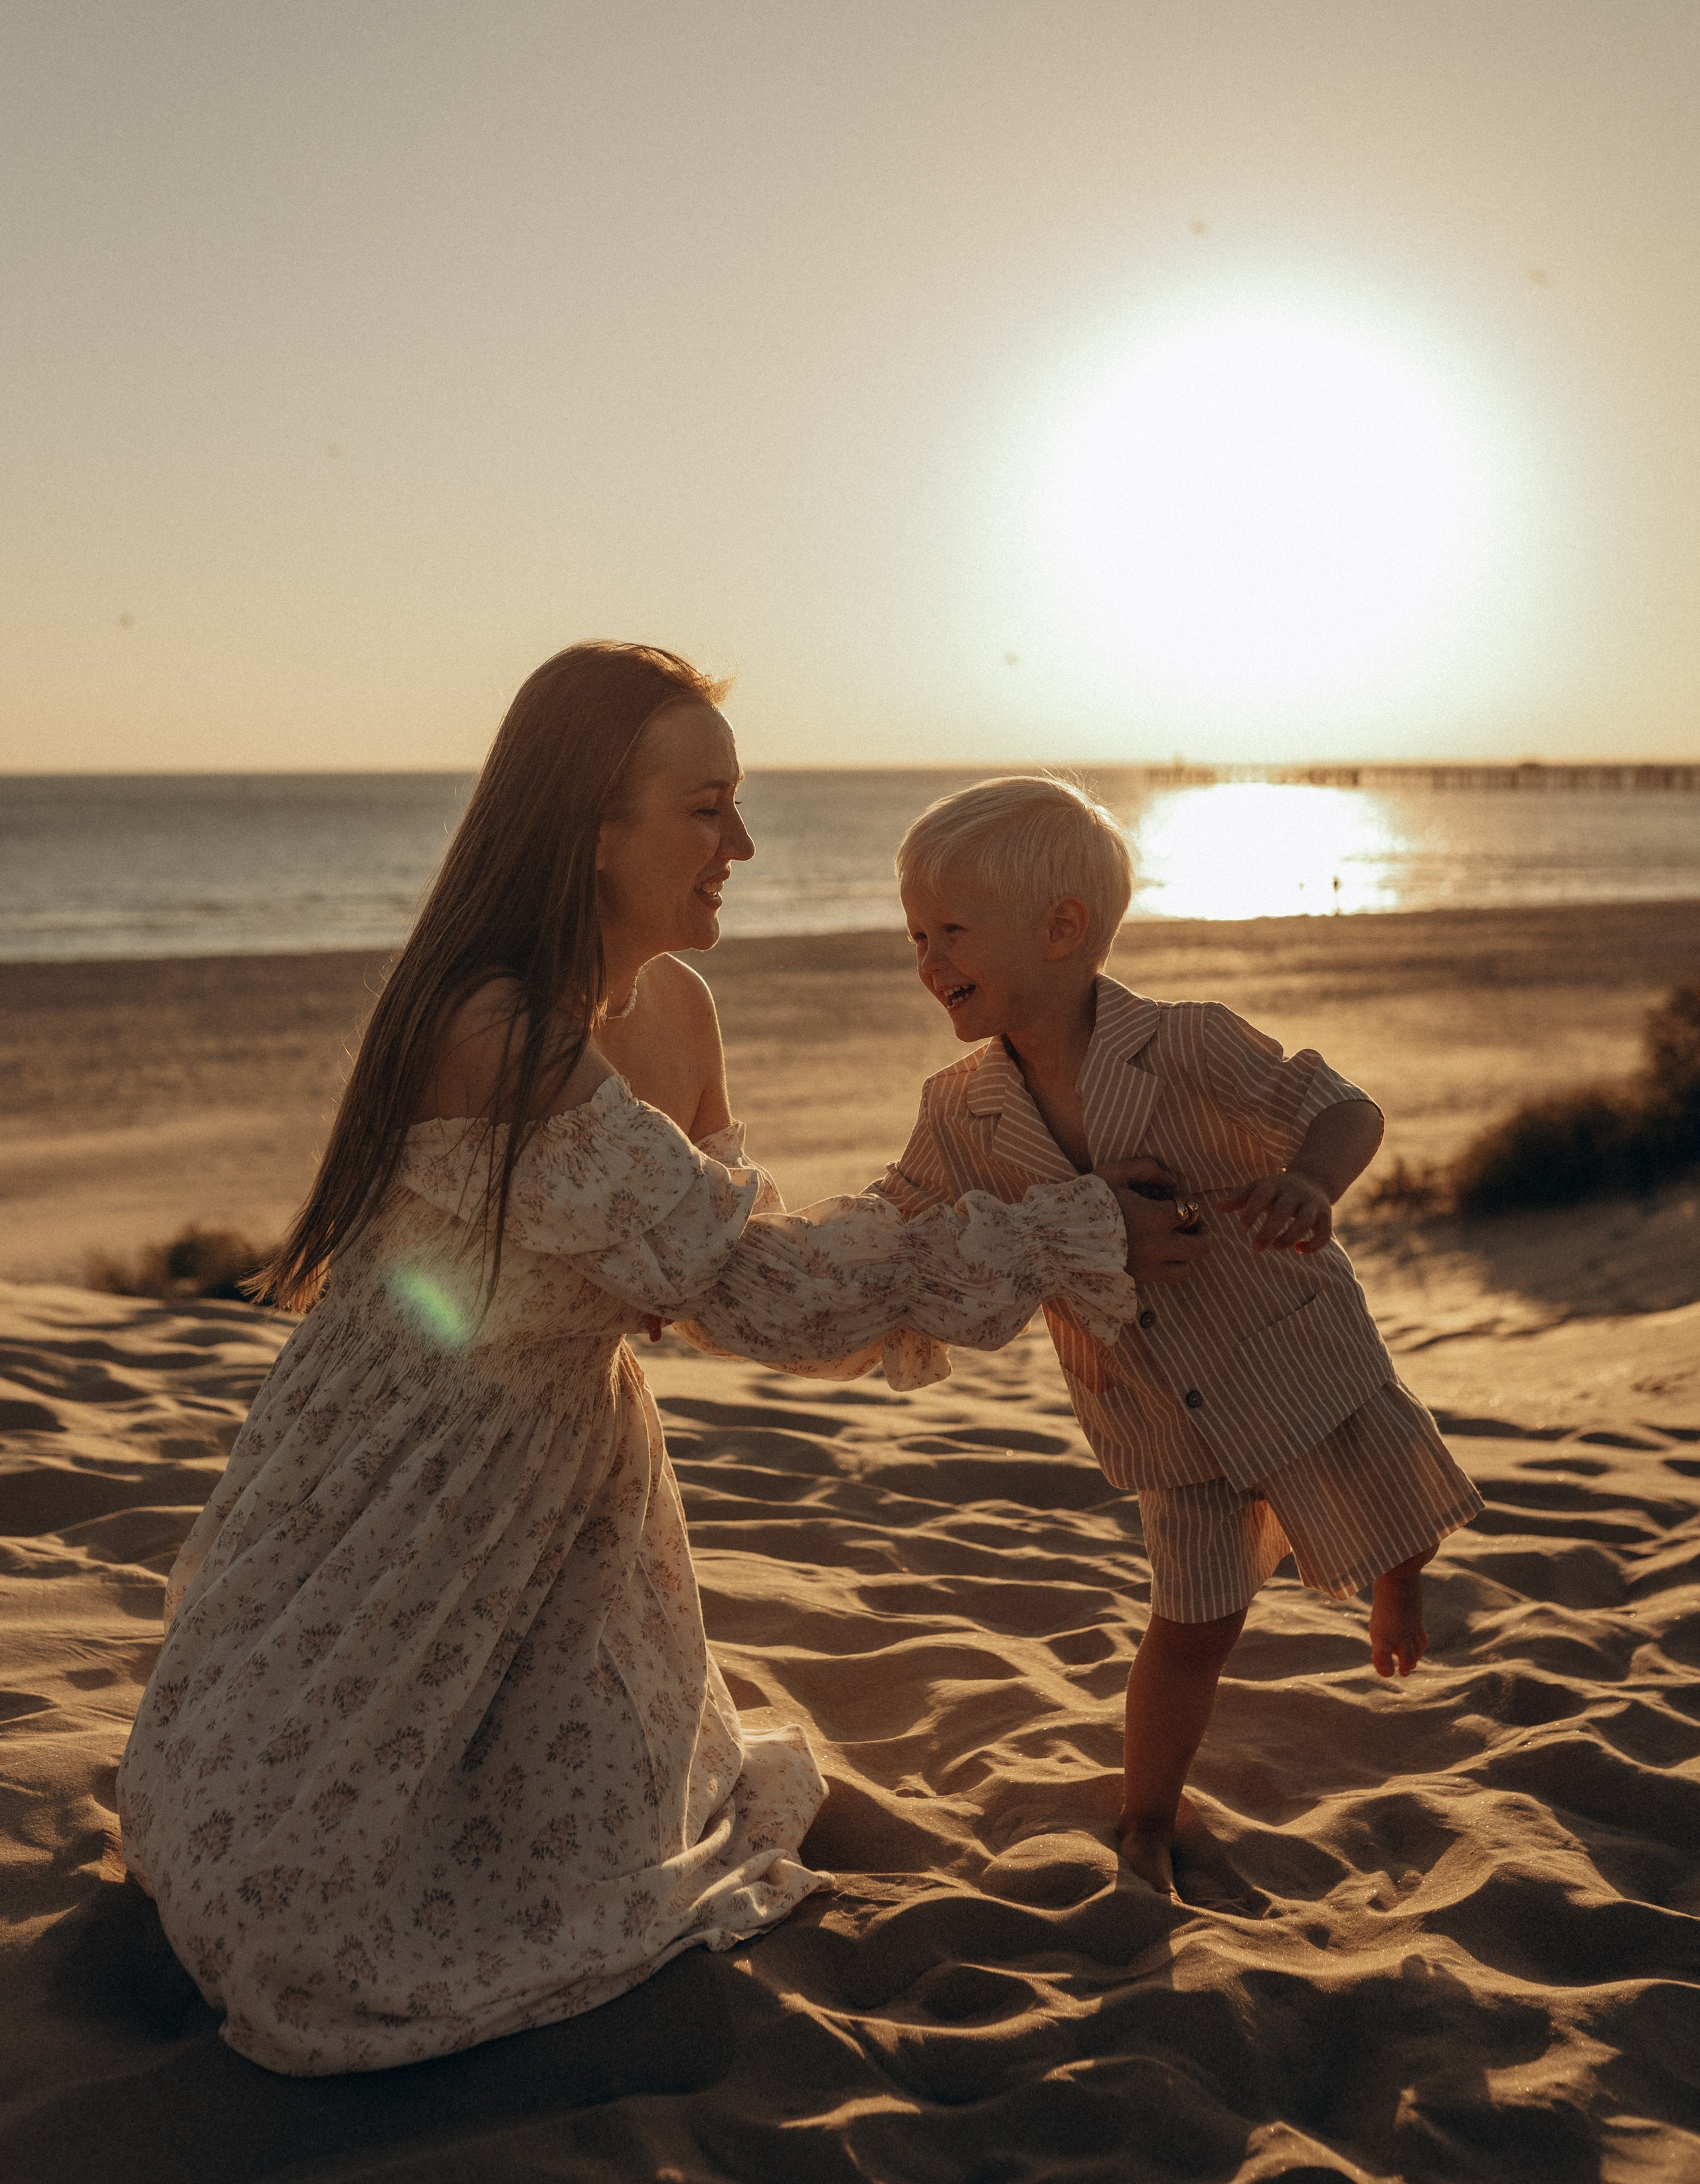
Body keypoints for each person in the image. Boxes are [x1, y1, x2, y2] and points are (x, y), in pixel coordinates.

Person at [116, 645, 1153, 2075]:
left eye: (736, 810)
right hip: (395, 1471)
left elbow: (743, 1265)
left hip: (567, 1473)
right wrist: (1050, 1233)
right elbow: (760, 1298)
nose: (740, 846)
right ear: (589, 833)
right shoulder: (490, 1029)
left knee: (607, 1841)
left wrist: (980, 1203)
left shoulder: (680, 1014)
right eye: (705, 809)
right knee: (294, 1920)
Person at [873, 773, 1482, 1900]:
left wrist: (1311, 1181)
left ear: (1062, 929)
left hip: (1290, 1352)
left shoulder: (1191, 1044)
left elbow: (1340, 1103)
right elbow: (901, 1218)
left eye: (951, 931)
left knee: (1391, 1491)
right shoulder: (959, 1109)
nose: (927, 960)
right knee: (1190, 1627)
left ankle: (1400, 1574)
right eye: (916, 934)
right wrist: (763, 1247)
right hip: (1160, 1412)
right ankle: (1147, 1816)